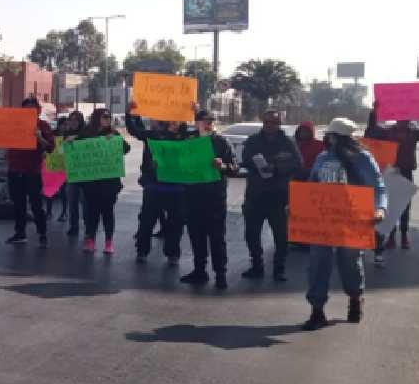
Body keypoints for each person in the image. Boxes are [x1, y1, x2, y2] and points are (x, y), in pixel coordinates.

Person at [302, 118, 387, 331]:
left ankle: (356, 299)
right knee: (318, 264)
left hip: (352, 221)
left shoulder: (363, 159)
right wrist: (298, 206)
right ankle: (317, 310)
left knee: (350, 263)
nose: (328, 139)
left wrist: (380, 209)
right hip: (323, 222)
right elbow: (312, 185)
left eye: (331, 136)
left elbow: (378, 187)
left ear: (339, 138)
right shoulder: (322, 158)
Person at [240, 109, 303, 281]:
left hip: (279, 196)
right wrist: (259, 163)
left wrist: (276, 166)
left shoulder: (287, 142)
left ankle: (279, 268)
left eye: (274, 123)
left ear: (279, 124)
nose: (270, 126)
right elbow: (244, 160)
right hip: (256, 195)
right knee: (252, 234)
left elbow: (298, 164)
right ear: (263, 122)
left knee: (281, 237)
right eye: (267, 122)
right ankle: (257, 265)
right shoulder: (253, 141)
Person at [126, 103, 190, 265]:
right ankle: (142, 251)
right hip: (154, 187)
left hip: (176, 188)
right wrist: (131, 113)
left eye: (177, 121)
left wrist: (192, 111)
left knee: (175, 224)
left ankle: (172, 253)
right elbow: (135, 129)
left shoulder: (183, 137)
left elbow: (200, 134)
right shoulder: (152, 135)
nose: (174, 123)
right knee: (147, 221)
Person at [180, 110, 238, 289]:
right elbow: (177, 160)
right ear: (196, 122)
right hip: (193, 196)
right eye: (205, 120)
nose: (209, 123)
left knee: (216, 237)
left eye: (211, 120)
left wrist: (223, 165)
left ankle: (221, 274)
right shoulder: (189, 140)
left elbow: (235, 168)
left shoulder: (221, 142)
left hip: (215, 198)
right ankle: (199, 271)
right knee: (196, 236)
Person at [365, 102, 419, 249]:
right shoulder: (388, 132)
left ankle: (404, 236)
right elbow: (372, 129)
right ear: (396, 119)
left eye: (405, 118)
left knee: (405, 205)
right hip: (392, 171)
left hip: (406, 171)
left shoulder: (413, 133)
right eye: (400, 118)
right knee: (391, 206)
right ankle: (391, 237)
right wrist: (374, 111)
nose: (402, 121)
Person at [75, 108, 131, 253]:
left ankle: (108, 242)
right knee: (91, 212)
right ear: (97, 118)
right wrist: (70, 141)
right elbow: (75, 149)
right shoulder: (86, 133)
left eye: (109, 117)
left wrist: (115, 140)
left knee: (107, 212)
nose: (107, 120)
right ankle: (91, 239)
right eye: (105, 117)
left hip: (109, 182)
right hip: (91, 181)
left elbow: (126, 148)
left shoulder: (113, 133)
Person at [5, 97, 55, 247]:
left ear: (38, 111)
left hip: (32, 172)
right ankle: (20, 233)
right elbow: (0, 138)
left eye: (32, 109)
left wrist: (39, 137)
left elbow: (50, 148)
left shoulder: (43, 126)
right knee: (18, 204)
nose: (28, 112)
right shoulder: (13, 125)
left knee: (36, 205)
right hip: (14, 170)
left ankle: (42, 234)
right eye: (25, 109)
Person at [61, 111, 85, 235]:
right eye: (71, 119)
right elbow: (61, 151)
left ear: (80, 121)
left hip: (85, 175)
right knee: (72, 201)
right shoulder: (66, 134)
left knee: (85, 202)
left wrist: (76, 138)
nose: (73, 122)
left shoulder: (86, 133)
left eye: (76, 120)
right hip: (71, 174)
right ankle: (73, 226)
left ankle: (88, 226)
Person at [45, 116, 70, 222]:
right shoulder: (52, 135)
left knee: (63, 191)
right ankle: (49, 212)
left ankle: (64, 212)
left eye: (66, 124)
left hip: (64, 167)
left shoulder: (69, 136)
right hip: (52, 166)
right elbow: (48, 147)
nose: (64, 127)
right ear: (59, 125)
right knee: (50, 190)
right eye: (63, 124)